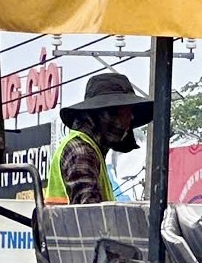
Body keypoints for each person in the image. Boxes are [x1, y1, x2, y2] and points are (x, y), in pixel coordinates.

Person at [47, 71, 151, 204]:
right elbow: (89, 215)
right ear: (107, 116)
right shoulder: (81, 151)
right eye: (126, 113)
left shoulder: (91, 150)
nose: (131, 118)